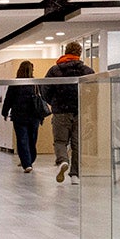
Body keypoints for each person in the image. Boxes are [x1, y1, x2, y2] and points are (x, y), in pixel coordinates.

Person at [44, 41, 92, 183]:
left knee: (60, 141)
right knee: (77, 143)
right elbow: (94, 91)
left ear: (65, 52)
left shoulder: (54, 70)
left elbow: (45, 89)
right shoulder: (87, 71)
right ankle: (75, 175)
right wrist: (86, 104)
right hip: (79, 111)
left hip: (60, 111)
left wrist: (53, 103)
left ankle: (63, 161)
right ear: (79, 53)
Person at [1, 62, 44, 173]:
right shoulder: (35, 83)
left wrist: (4, 112)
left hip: (19, 116)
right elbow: (41, 100)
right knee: (32, 139)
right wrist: (41, 116)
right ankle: (29, 159)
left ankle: (27, 163)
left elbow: (8, 99)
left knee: (22, 139)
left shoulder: (15, 83)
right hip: (34, 116)